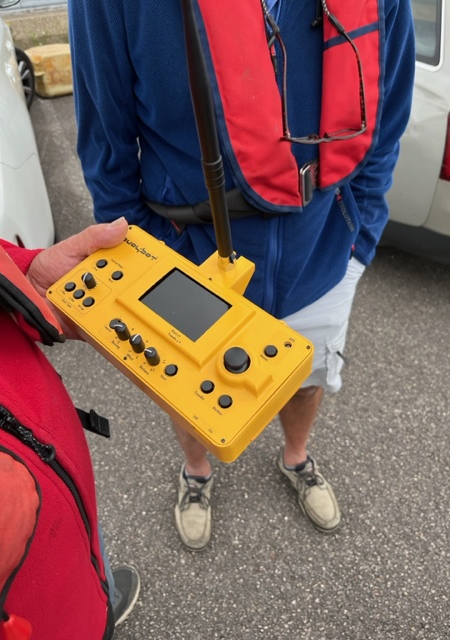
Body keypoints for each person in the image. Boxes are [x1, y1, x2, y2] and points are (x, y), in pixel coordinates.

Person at [67, 0, 415, 549]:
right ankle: (197, 471)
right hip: (188, 256)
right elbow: (105, 141)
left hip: (323, 251)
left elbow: (387, 115)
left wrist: (359, 238)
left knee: (308, 376)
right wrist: (149, 256)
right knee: (190, 389)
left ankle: (296, 457)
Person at [0, 213, 140, 638]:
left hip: (65, 492)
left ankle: (101, 595)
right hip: (29, 617)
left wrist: (17, 275)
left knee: (91, 571)